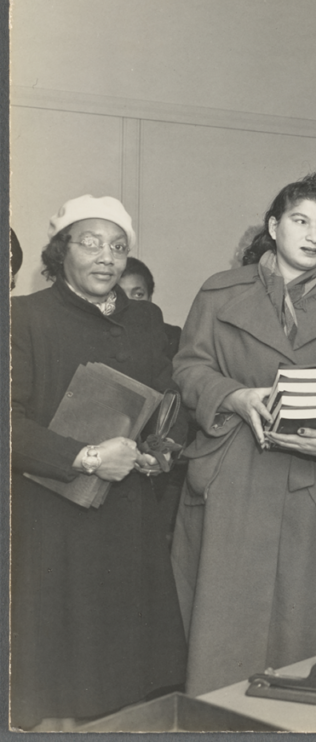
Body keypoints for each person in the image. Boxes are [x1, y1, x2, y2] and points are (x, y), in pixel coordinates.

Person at [171, 173, 316, 696]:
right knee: (226, 644)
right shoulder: (219, 292)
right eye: (299, 221)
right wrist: (235, 396)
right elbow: (187, 369)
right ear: (274, 226)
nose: (314, 236)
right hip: (235, 479)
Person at [10, 195, 186, 729]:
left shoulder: (147, 318)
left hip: (131, 520)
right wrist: (85, 457)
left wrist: (161, 451)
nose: (106, 257)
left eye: (118, 246)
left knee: (135, 686)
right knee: (67, 689)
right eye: (90, 243)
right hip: (56, 524)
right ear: (61, 250)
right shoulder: (23, 317)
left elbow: (171, 397)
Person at [120, 256, 183, 355]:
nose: (129, 302)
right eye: (120, 295)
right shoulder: (99, 335)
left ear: (150, 298)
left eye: (138, 294)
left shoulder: (173, 337)